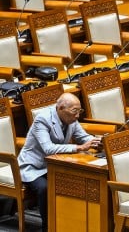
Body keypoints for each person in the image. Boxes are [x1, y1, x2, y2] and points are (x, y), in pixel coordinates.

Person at [18, 93, 101, 232]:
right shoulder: (43, 119)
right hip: (34, 166)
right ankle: (48, 227)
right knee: (45, 188)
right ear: (61, 108)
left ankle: (69, 223)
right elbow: (48, 148)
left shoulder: (71, 119)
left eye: (79, 111)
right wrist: (78, 148)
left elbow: (83, 137)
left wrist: (96, 141)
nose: (77, 116)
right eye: (74, 111)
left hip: (55, 166)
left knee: (75, 181)